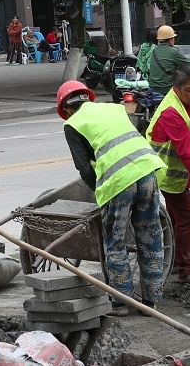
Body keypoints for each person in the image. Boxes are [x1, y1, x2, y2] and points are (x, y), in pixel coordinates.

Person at [57, 81, 167, 313]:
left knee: (115, 243)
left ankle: (120, 301)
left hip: (119, 183)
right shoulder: (113, 108)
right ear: (87, 98)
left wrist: (99, 189)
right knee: (150, 236)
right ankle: (152, 300)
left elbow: (85, 168)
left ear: (66, 109)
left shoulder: (73, 124)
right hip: (146, 172)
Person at [148, 62, 190, 284]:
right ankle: (184, 268)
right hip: (166, 171)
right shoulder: (171, 112)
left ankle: (173, 260)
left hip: (187, 169)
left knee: (177, 217)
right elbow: (187, 153)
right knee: (187, 216)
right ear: (176, 89)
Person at [137, 25, 190, 97]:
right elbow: (189, 65)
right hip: (167, 89)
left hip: (152, 87)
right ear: (170, 39)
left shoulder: (154, 50)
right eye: (173, 38)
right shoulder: (173, 51)